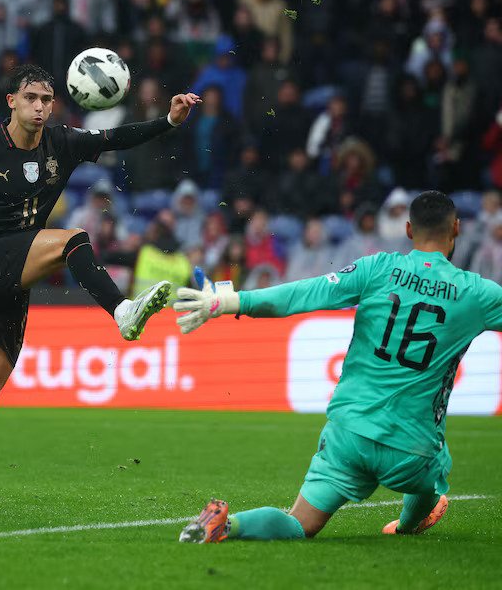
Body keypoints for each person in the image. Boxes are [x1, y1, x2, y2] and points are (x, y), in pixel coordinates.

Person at [0, 63, 200, 497]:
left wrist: (168, 121)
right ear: (11, 102)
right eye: (31, 98)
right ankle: (121, 310)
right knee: (74, 239)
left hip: (16, 271)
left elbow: (115, 139)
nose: (40, 107)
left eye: (47, 100)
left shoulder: (60, 143)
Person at [174, 191, 494, 542]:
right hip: (412, 450)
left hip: (349, 435)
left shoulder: (378, 268)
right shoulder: (476, 293)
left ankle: (228, 524)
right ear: (457, 229)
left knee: (299, 523)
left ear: (407, 229)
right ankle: (407, 525)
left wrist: (230, 301)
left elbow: (302, 294)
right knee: (435, 472)